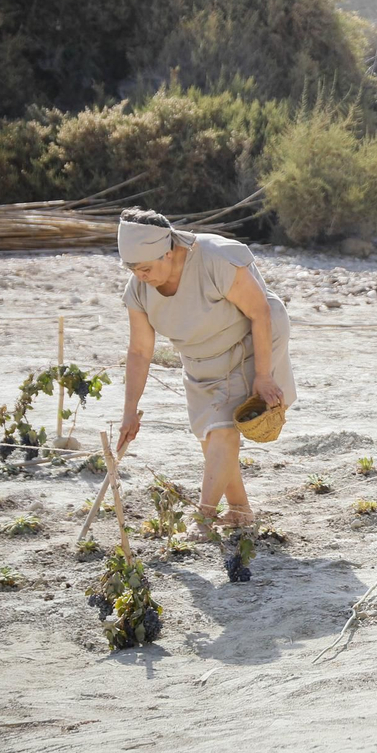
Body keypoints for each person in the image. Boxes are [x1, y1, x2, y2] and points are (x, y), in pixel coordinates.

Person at [115, 207, 296, 526]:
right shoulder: (138, 289)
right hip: (200, 357)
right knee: (208, 436)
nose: (140, 276)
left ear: (168, 251)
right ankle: (240, 512)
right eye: (133, 269)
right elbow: (140, 351)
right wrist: (130, 409)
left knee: (223, 430)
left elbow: (260, 313)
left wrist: (264, 375)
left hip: (248, 341)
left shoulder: (215, 258)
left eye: (144, 267)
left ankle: (204, 519)